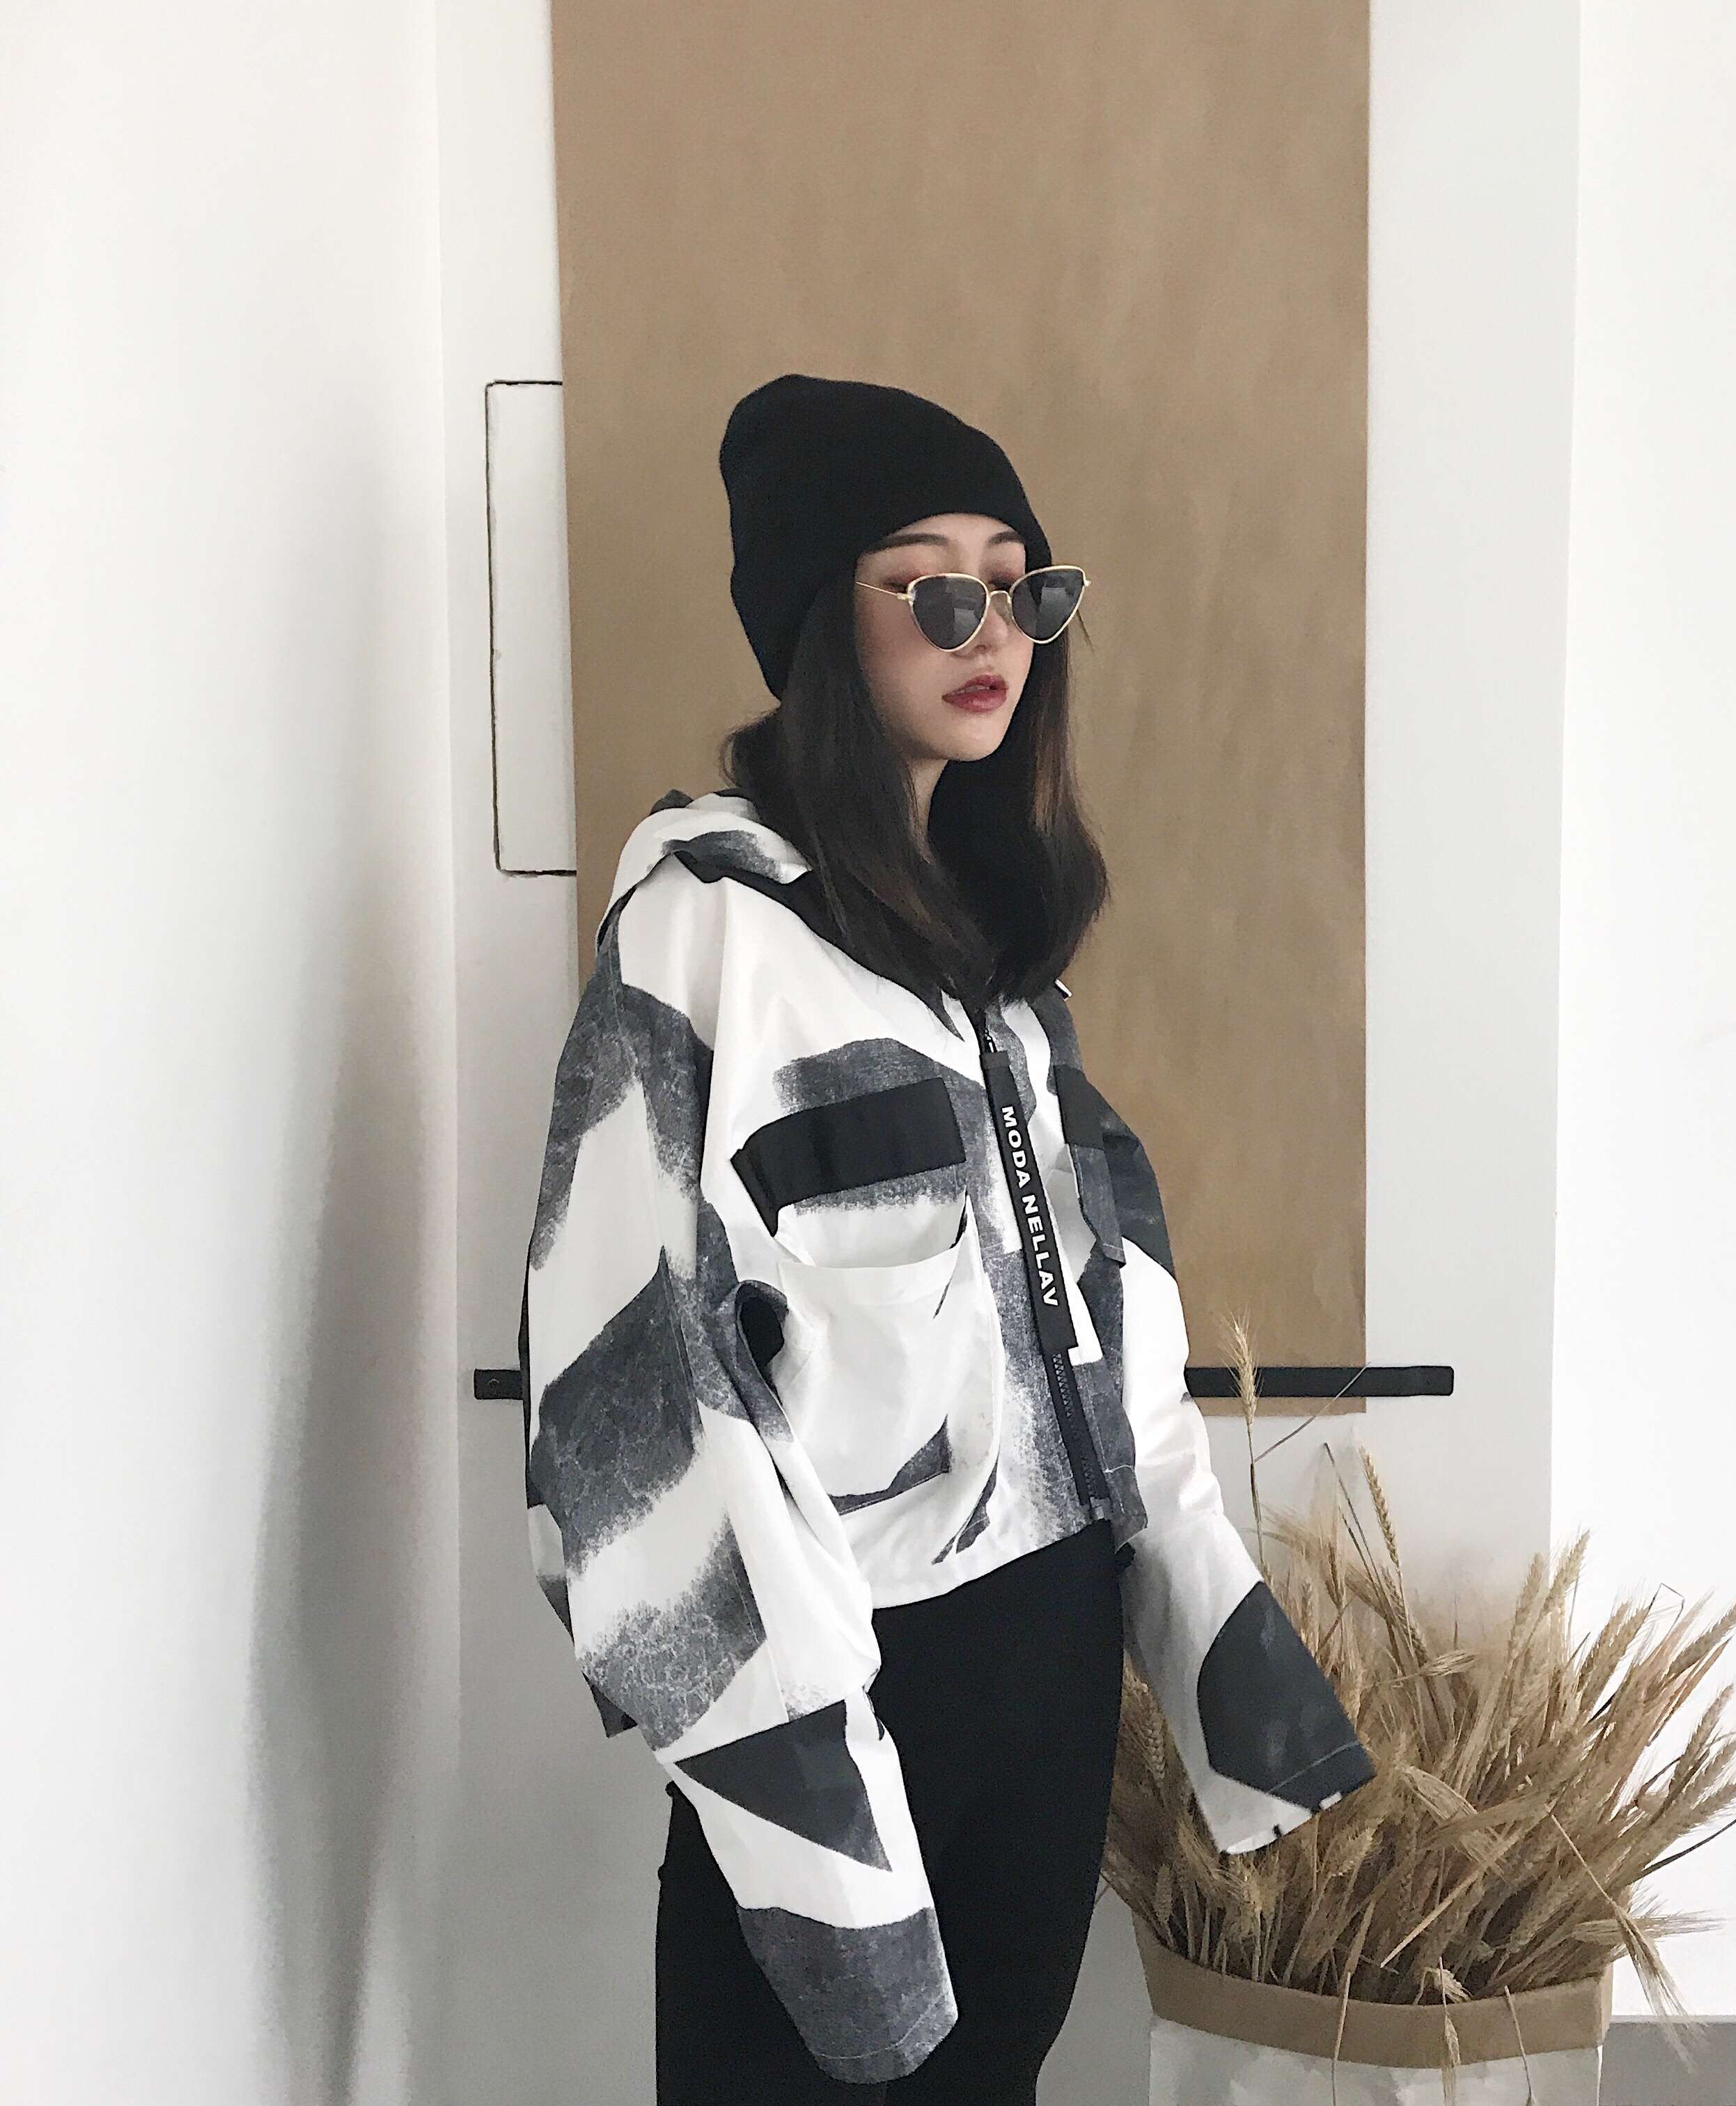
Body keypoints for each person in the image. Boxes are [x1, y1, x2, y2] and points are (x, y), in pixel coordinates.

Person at [517, 373, 1375, 2101]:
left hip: (1051, 1658)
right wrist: (807, 1772)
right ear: (817, 621)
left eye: (1019, 585)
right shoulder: (710, 937)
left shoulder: (991, 964)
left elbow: (1097, 1324)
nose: (995, 636)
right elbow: (638, 1399)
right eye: (933, 589)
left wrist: (1213, 1652)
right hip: (853, 1676)